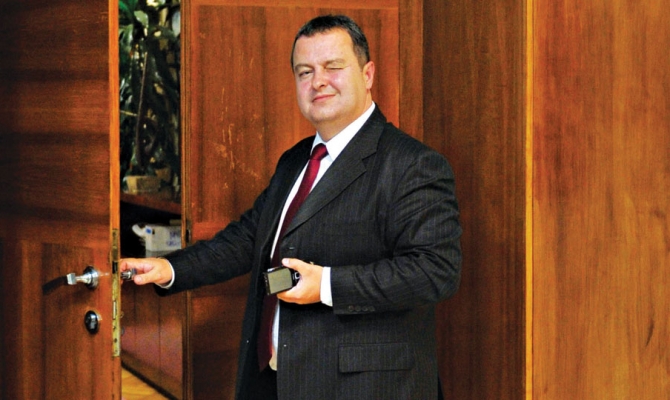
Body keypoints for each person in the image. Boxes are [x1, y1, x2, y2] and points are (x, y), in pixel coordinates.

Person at [120, 14, 462, 400]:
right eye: (305, 72)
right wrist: (170, 269)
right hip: (275, 379)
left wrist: (327, 285)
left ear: (367, 75)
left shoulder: (413, 164)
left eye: (333, 67)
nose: (318, 81)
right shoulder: (296, 160)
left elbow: (436, 271)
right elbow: (248, 238)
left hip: (363, 388)